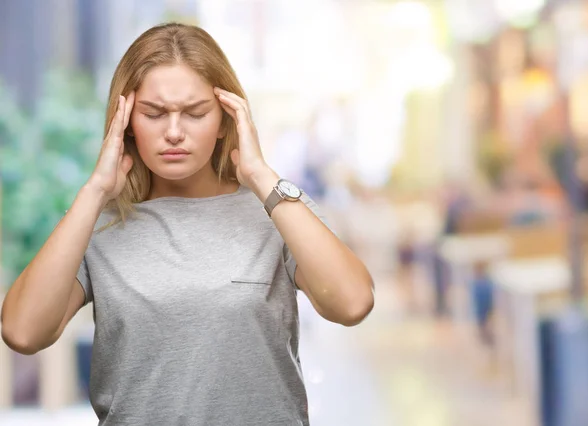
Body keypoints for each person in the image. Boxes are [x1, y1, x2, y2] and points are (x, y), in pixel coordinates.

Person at [0, 23, 374, 425]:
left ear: (226, 119)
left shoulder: (277, 210)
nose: (174, 132)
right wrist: (94, 191)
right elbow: (23, 333)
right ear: (125, 121)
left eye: (195, 113)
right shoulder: (97, 223)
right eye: (154, 113)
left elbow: (353, 304)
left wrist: (260, 175)